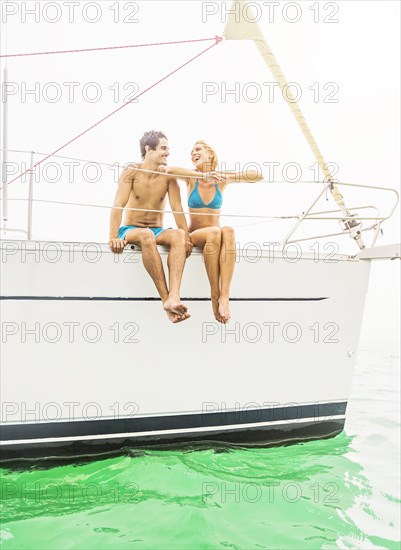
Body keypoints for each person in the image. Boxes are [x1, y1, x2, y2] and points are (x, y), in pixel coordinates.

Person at [159, 140, 263, 323]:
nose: (193, 154)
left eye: (198, 149)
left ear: (211, 154)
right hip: (196, 235)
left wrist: (229, 176)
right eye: (191, 152)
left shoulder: (220, 178)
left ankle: (224, 296)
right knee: (215, 232)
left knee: (228, 230)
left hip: (216, 235)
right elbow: (169, 170)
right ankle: (214, 294)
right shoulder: (191, 178)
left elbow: (257, 176)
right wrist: (203, 175)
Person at [108, 130, 193, 324]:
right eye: (163, 148)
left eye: (168, 149)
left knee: (178, 235)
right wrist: (113, 237)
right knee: (146, 235)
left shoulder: (168, 177)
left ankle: (174, 297)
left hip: (157, 229)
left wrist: (186, 238)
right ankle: (166, 301)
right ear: (148, 149)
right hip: (130, 229)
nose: (167, 153)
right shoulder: (132, 170)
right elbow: (117, 205)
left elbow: (177, 209)